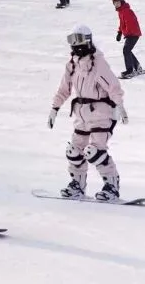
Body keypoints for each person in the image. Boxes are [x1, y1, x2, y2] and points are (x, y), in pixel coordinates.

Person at [47, 25, 128, 201]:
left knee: (95, 151)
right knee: (74, 150)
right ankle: (78, 184)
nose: (75, 45)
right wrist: (55, 108)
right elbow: (64, 89)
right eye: (72, 40)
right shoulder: (72, 65)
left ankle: (111, 186)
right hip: (81, 114)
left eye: (78, 39)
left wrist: (120, 106)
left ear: (87, 40)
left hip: (101, 113)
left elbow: (113, 86)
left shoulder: (98, 63)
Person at [112, 0, 145, 79]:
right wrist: (119, 32)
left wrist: (128, 33)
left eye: (118, 3)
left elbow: (131, 23)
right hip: (131, 34)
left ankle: (130, 70)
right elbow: (122, 24)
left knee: (126, 50)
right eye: (115, 3)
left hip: (133, 34)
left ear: (122, 2)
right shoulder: (121, 11)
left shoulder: (127, 11)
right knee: (127, 50)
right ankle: (138, 68)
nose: (116, 5)